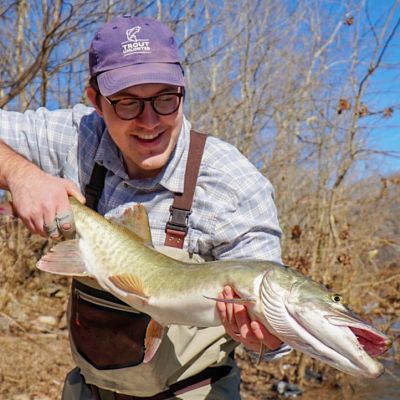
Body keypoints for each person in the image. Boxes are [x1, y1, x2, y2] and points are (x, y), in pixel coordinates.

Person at [0, 15, 290, 400]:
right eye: (127, 103)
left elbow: (276, 337)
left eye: (166, 99)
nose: (150, 122)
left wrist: (267, 337)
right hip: (91, 388)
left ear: (183, 92)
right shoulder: (76, 136)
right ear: (96, 103)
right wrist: (22, 176)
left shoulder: (232, 184)